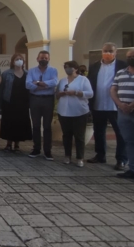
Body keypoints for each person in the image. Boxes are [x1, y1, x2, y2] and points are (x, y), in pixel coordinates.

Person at [87, 42, 127, 170]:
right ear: (101, 52)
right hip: (98, 103)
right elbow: (90, 83)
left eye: (110, 51)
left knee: (120, 133)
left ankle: (121, 159)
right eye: (105, 51)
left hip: (116, 105)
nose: (107, 53)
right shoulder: (94, 66)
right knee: (99, 131)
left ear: (115, 53)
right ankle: (100, 155)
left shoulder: (122, 66)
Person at [56, 60, 94, 168]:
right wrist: (61, 93)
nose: (67, 69)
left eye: (69, 67)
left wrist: (76, 93)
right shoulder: (63, 80)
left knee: (79, 136)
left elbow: (90, 93)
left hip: (79, 112)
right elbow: (57, 95)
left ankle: (79, 157)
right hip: (64, 111)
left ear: (75, 69)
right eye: (65, 67)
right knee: (66, 135)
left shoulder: (83, 80)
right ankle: (67, 156)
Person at [26, 50, 58, 160]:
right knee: (35, 125)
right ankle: (36, 149)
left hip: (48, 100)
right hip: (35, 100)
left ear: (48, 59)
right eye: (41, 58)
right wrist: (42, 85)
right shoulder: (31, 71)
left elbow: (54, 82)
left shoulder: (53, 70)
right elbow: (28, 84)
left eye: (45, 58)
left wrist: (39, 83)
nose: (43, 59)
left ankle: (47, 151)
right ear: (37, 59)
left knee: (47, 126)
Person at [0, 54, 32, 152]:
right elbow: (2, 88)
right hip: (9, 102)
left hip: (23, 103)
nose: (19, 61)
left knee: (20, 123)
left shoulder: (28, 74)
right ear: (13, 61)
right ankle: (8, 144)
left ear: (24, 61)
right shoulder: (6, 73)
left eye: (20, 59)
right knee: (9, 122)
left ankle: (17, 145)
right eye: (17, 59)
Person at [111, 48, 134, 179]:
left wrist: (132, 105)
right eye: (129, 56)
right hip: (123, 112)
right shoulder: (120, 73)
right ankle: (132, 169)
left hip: (131, 109)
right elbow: (113, 90)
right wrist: (120, 104)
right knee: (129, 141)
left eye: (133, 56)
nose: (131, 58)